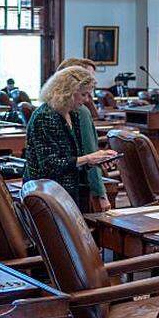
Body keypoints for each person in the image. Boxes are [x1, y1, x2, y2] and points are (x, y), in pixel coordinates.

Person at [24, 67, 118, 212]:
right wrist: (88, 158)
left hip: (70, 192)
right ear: (66, 92)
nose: (87, 100)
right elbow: (49, 165)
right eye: (83, 94)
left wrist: (97, 161)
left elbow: (74, 159)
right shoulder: (45, 116)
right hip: (46, 196)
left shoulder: (72, 114)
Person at [56, 58, 111, 211]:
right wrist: (101, 195)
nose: (92, 83)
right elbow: (90, 153)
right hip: (76, 189)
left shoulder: (51, 108)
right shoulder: (80, 111)